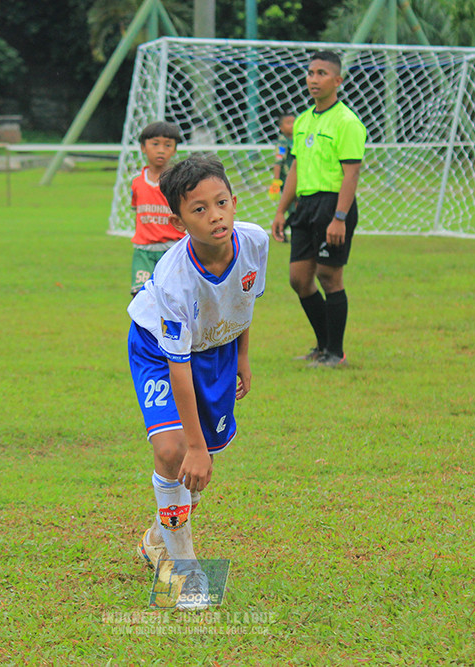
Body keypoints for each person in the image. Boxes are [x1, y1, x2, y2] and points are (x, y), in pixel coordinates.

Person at [127, 154, 268, 609]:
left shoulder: (255, 241)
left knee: (193, 476)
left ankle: (157, 536)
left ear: (233, 200)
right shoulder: (173, 279)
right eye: (200, 210)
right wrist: (193, 444)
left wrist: (243, 357)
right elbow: (178, 366)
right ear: (179, 220)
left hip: (218, 347)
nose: (216, 216)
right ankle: (183, 570)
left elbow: (244, 298)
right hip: (161, 351)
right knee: (175, 452)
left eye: (221, 202)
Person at [272, 50, 366, 368]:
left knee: (329, 277)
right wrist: (281, 211)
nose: (314, 79)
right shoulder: (302, 121)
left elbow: (351, 173)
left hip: (333, 204)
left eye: (322, 73)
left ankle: (334, 353)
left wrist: (339, 217)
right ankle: (323, 345)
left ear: (337, 80)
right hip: (305, 205)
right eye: (311, 72)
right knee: (299, 279)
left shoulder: (347, 122)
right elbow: (295, 169)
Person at [129, 121, 185, 294]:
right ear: (143, 147)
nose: (161, 150)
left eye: (168, 145)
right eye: (155, 144)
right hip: (144, 251)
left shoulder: (179, 182)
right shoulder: (137, 182)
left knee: (173, 296)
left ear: (175, 150)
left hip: (172, 249)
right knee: (141, 295)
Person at [268, 113, 295, 202]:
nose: (292, 125)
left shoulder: (298, 139)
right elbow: (278, 162)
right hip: (288, 178)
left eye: (294, 122)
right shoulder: (282, 143)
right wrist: (276, 181)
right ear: (281, 127)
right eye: (288, 123)